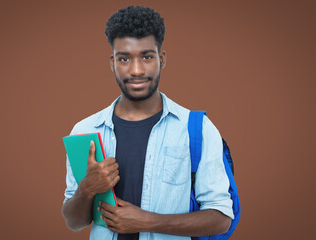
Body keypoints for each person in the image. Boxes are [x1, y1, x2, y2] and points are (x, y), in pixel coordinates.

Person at [62, 5, 234, 240]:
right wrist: (87, 189)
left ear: (161, 59)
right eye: (124, 58)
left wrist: (147, 221)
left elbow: (221, 218)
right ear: (112, 63)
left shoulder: (198, 129)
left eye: (146, 56)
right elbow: (73, 222)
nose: (136, 70)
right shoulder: (85, 132)